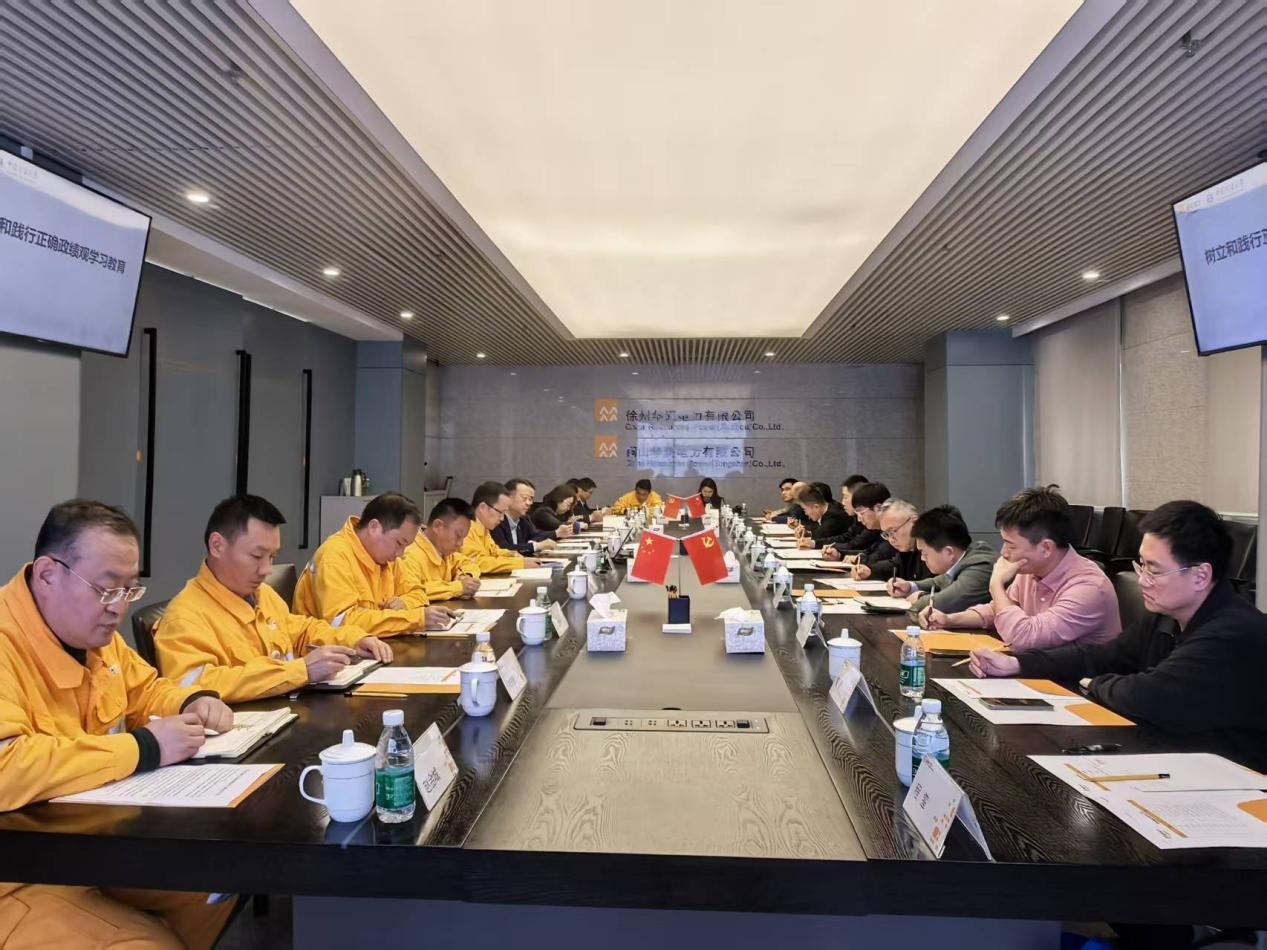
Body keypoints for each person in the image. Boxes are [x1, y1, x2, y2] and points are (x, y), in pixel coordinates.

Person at [0, 500, 237, 948]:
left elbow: (144, 690)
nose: (119, 608)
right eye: (107, 589)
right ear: (48, 575)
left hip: (88, 843)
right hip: (17, 871)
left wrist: (193, 700)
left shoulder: (91, 634)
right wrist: (144, 747)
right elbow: (6, 766)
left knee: (219, 880)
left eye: (130, 590)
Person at [970, 501, 1267, 771]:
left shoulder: (1233, 632)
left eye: (1154, 570)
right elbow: (1101, 656)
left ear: (1200, 575)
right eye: (1141, 565)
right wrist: (1018, 664)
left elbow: (1149, 697)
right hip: (1180, 757)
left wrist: (1094, 683)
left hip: (1236, 778)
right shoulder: (1165, 616)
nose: (1142, 580)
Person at [156, 495, 393, 703]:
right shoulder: (184, 617)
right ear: (217, 545)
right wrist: (300, 670)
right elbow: (197, 686)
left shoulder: (262, 594)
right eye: (257, 555)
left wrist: (354, 639)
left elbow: (301, 630)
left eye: (272, 557)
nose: (267, 570)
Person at [925, 485, 1120, 652]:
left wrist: (996, 586)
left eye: (1011, 545)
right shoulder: (1030, 570)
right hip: (1038, 671)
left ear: (1046, 548)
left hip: (1077, 682)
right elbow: (998, 610)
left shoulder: (1088, 587)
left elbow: (1024, 638)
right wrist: (949, 620)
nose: (1003, 553)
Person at [293, 491, 455, 636]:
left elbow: (418, 593)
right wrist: (413, 618)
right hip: (329, 653)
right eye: (399, 543)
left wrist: (405, 604)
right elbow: (342, 622)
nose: (400, 554)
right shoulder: (334, 556)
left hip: (375, 644)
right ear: (374, 527)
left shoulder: (387, 558)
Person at [887, 505, 996, 614]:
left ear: (948, 552)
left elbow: (943, 604)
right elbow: (939, 581)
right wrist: (910, 586)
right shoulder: (965, 557)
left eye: (924, 553)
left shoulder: (981, 567)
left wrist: (920, 597)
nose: (922, 558)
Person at [400, 497, 481, 602]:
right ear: (438, 526)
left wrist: (465, 576)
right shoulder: (410, 554)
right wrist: (458, 587)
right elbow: (413, 592)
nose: (460, 543)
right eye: (458, 535)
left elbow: (468, 563)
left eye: (463, 538)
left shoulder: (445, 551)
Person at [462, 481, 542, 574]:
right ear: (483, 507)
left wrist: (511, 554)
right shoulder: (465, 529)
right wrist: (519, 563)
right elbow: (477, 563)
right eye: (500, 512)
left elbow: (494, 552)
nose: (502, 518)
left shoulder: (483, 528)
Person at [822, 482, 895, 577]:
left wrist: (859, 560)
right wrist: (839, 554)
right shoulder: (878, 529)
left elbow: (881, 557)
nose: (860, 519)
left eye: (861, 513)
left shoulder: (894, 531)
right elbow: (870, 552)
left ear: (878, 508)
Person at [494, 478, 562, 553]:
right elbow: (503, 548)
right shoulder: (496, 520)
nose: (529, 503)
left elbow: (536, 535)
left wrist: (536, 544)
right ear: (508, 497)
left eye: (530, 499)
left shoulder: (524, 519)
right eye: (525, 498)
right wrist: (536, 546)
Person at [871, 498, 929, 582]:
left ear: (914, 521)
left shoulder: (931, 545)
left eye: (893, 531)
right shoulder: (907, 549)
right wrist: (870, 570)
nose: (891, 540)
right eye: (886, 534)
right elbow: (896, 565)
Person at [819, 474, 873, 554]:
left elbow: (857, 544)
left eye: (845, 497)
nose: (843, 503)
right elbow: (848, 537)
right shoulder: (856, 518)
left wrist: (833, 548)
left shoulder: (872, 523)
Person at [794, 483, 851, 548]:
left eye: (805, 509)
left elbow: (819, 536)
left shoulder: (834, 515)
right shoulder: (828, 510)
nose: (806, 513)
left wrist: (809, 535)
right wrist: (807, 532)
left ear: (816, 507)